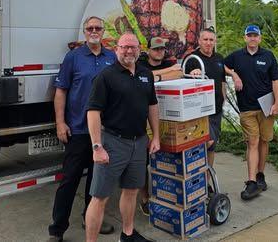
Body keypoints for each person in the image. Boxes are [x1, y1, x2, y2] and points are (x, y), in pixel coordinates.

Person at [84, 33, 160, 242]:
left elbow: (152, 106)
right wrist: (97, 146)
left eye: (133, 47)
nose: (129, 51)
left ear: (139, 49)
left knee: (131, 191)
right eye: (125, 47)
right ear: (117, 49)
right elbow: (93, 112)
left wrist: (156, 137)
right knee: (99, 197)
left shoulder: (146, 74)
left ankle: (127, 235)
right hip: (113, 142)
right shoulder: (106, 76)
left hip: (139, 142)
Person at [48, 16, 116, 241]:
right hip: (77, 130)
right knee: (69, 181)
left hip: (104, 131)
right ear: (84, 32)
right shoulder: (73, 58)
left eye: (98, 28)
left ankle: (90, 218)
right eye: (90, 28)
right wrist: (60, 122)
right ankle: (57, 229)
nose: (94, 31)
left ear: (103, 31)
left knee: (96, 181)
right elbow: (61, 91)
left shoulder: (112, 57)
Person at [224, 24, 278, 201]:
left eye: (255, 36)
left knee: (264, 141)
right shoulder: (236, 56)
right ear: (245, 38)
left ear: (260, 38)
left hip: (266, 108)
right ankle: (251, 182)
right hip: (247, 108)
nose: (252, 38)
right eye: (249, 35)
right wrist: (234, 75)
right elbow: (221, 65)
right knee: (253, 142)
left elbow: (276, 81)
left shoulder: (268, 56)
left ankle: (260, 175)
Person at [135, 36, 183, 215]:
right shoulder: (140, 63)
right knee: (143, 161)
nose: (159, 52)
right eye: (155, 49)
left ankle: (166, 194)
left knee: (164, 156)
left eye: (162, 49)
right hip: (142, 117)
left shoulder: (168, 61)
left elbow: (178, 72)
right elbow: (140, 75)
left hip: (167, 117)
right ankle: (145, 198)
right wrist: (165, 74)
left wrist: (158, 76)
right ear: (148, 50)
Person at [183, 27, 227, 168]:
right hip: (200, 113)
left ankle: (208, 182)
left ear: (215, 42)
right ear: (199, 41)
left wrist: (223, 99)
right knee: (204, 144)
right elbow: (183, 84)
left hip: (216, 110)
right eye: (205, 39)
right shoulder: (192, 59)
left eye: (211, 40)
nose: (208, 43)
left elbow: (222, 81)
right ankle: (198, 179)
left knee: (212, 148)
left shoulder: (219, 58)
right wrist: (193, 73)